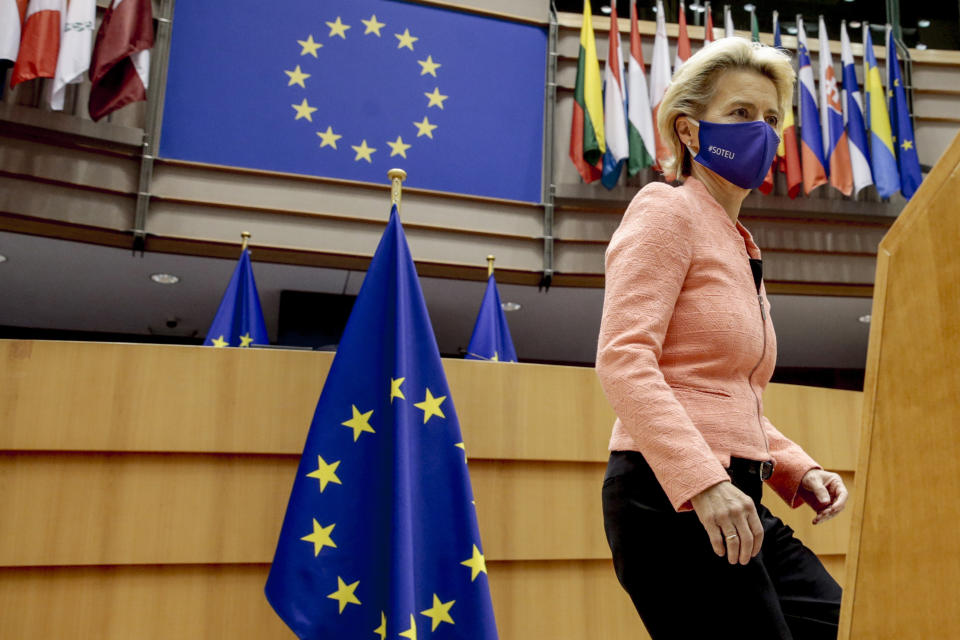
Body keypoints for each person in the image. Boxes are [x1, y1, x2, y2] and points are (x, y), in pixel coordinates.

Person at [596, 38, 849, 640]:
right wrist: (704, 482)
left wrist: (792, 467)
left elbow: (724, 389)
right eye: (740, 114)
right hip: (671, 495)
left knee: (847, 622)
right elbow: (624, 360)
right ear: (688, 131)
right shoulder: (666, 211)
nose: (760, 131)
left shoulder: (738, 240)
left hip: (738, 489)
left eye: (769, 119)